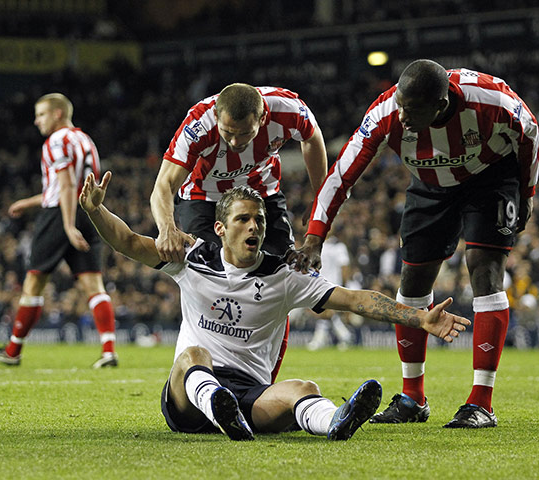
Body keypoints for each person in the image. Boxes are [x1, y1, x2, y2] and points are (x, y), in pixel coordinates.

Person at [80, 172, 470, 441]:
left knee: (303, 388)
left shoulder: (283, 276)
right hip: (188, 399)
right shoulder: (191, 258)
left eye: (259, 220)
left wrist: (419, 317)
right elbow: (129, 242)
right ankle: (218, 406)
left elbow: (353, 299)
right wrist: (97, 211)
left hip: (248, 397)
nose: (254, 227)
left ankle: (336, 420)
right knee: (191, 355)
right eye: (243, 220)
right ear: (220, 228)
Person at [287, 59, 539, 428]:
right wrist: (314, 236)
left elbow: (529, 131)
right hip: (430, 183)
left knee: (485, 269)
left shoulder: (490, 100)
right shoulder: (386, 113)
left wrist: (527, 191)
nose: (403, 115)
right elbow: (341, 175)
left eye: (413, 109)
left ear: (441, 105)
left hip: (490, 177)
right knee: (413, 282)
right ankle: (411, 399)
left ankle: (481, 403)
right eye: (402, 105)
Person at [0, 93, 117, 368]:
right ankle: (109, 351)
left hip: (60, 214)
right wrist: (31, 202)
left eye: (41, 114)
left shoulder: (55, 141)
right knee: (94, 284)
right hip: (90, 212)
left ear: (57, 114)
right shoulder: (85, 140)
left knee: (34, 281)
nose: (36, 121)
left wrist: (66, 225)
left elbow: (66, 186)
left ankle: (13, 351)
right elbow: (73, 186)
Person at [150, 83, 328, 264]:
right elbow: (164, 184)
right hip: (203, 196)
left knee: (283, 265)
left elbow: (312, 138)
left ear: (263, 118)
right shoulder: (198, 126)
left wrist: (319, 195)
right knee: (212, 267)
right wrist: (166, 229)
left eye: (245, 133)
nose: (235, 142)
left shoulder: (288, 110)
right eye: (227, 132)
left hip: (260, 191)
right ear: (216, 116)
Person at [307, 231, 354, 350]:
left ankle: (319, 340)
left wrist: (344, 286)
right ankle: (345, 336)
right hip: (320, 284)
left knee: (324, 312)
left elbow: (344, 267)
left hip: (333, 285)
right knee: (325, 313)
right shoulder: (318, 246)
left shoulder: (338, 246)